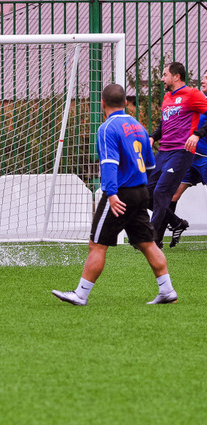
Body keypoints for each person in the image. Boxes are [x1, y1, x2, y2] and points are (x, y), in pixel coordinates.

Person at [52, 84, 177, 306]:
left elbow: (109, 163)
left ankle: (80, 295)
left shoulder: (107, 128)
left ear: (103, 103)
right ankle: (167, 290)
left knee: (97, 244)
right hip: (139, 191)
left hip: (120, 194)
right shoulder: (138, 126)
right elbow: (149, 163)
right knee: (148, 243)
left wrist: (111, 193)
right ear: (125, 103)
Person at [147, 62, 207, 248]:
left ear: (176, 76)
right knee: (147, 191)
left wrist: (197, 134)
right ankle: (176, 222)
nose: (162, 78)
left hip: (183, 152)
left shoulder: (192, 94)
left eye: (165, 75)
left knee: (162, 191)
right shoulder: (167, 97)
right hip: (165, 151)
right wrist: (153, 137)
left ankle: (151, 239)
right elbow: (164, 123)